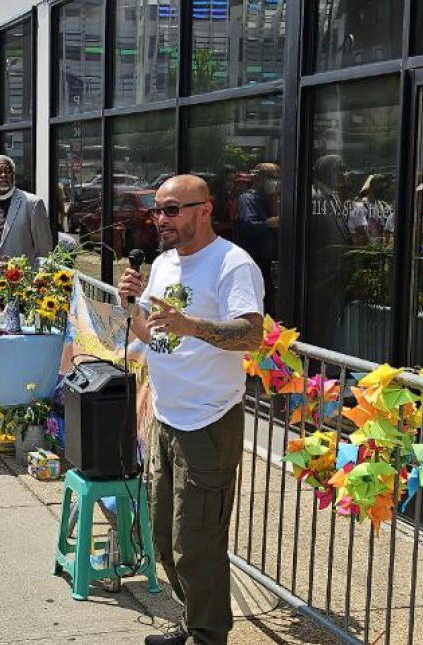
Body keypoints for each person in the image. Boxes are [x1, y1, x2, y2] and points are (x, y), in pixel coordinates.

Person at [117, 175, 264, 645]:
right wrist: (129, 310)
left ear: (205, 209)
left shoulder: (232, 265)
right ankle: (193, 620)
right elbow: (153, 338)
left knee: (196, 546)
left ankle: (208, 636)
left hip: (209, 422)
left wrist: (192, 325)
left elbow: (250, 335)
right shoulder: (162, 265)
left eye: (173, 209)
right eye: (157, 211)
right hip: (168, 418)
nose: (161, 219)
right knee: (164, 538)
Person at [0, 155, 54, 297]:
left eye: (7, 171)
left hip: (18, 283)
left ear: (13, 175)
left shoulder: (32, 203)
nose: (3, 175)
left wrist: (39, 286)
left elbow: (44, 250)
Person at [235, 162, 280, 315]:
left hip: (269, 259)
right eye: (271, 178)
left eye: (276, 178)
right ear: (259, 179)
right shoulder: (247, 199)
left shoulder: (270, 199)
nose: (274, 182)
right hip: (255, 258)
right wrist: (268, 223)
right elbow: (248, 225)